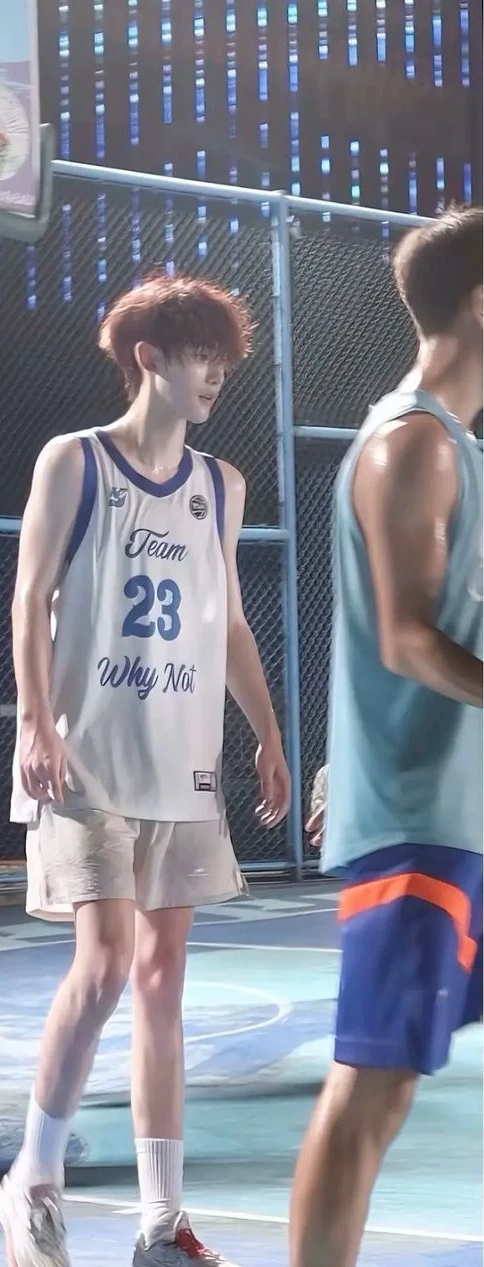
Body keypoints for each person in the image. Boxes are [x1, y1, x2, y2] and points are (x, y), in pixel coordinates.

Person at [0, 273, 292, 1267]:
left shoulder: (222, 485)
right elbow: (29, 595)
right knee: (106, 964)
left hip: (181, 761)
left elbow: (229, 619)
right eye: (199, 357)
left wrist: (267, 732)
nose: (213, 376)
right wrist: (34, 721)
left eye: (222, 362)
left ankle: (161, 1223)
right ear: (147, 359)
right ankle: (33, 1179)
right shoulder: (74, 461)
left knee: (163, 980)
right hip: (84, 758)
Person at [289, 205, 483, 1267]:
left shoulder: (457, 447)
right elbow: (408, 638)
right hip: (417, 813)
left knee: (388, 1082)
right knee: (372, 1081)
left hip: (463, 808)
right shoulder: (410, 443)